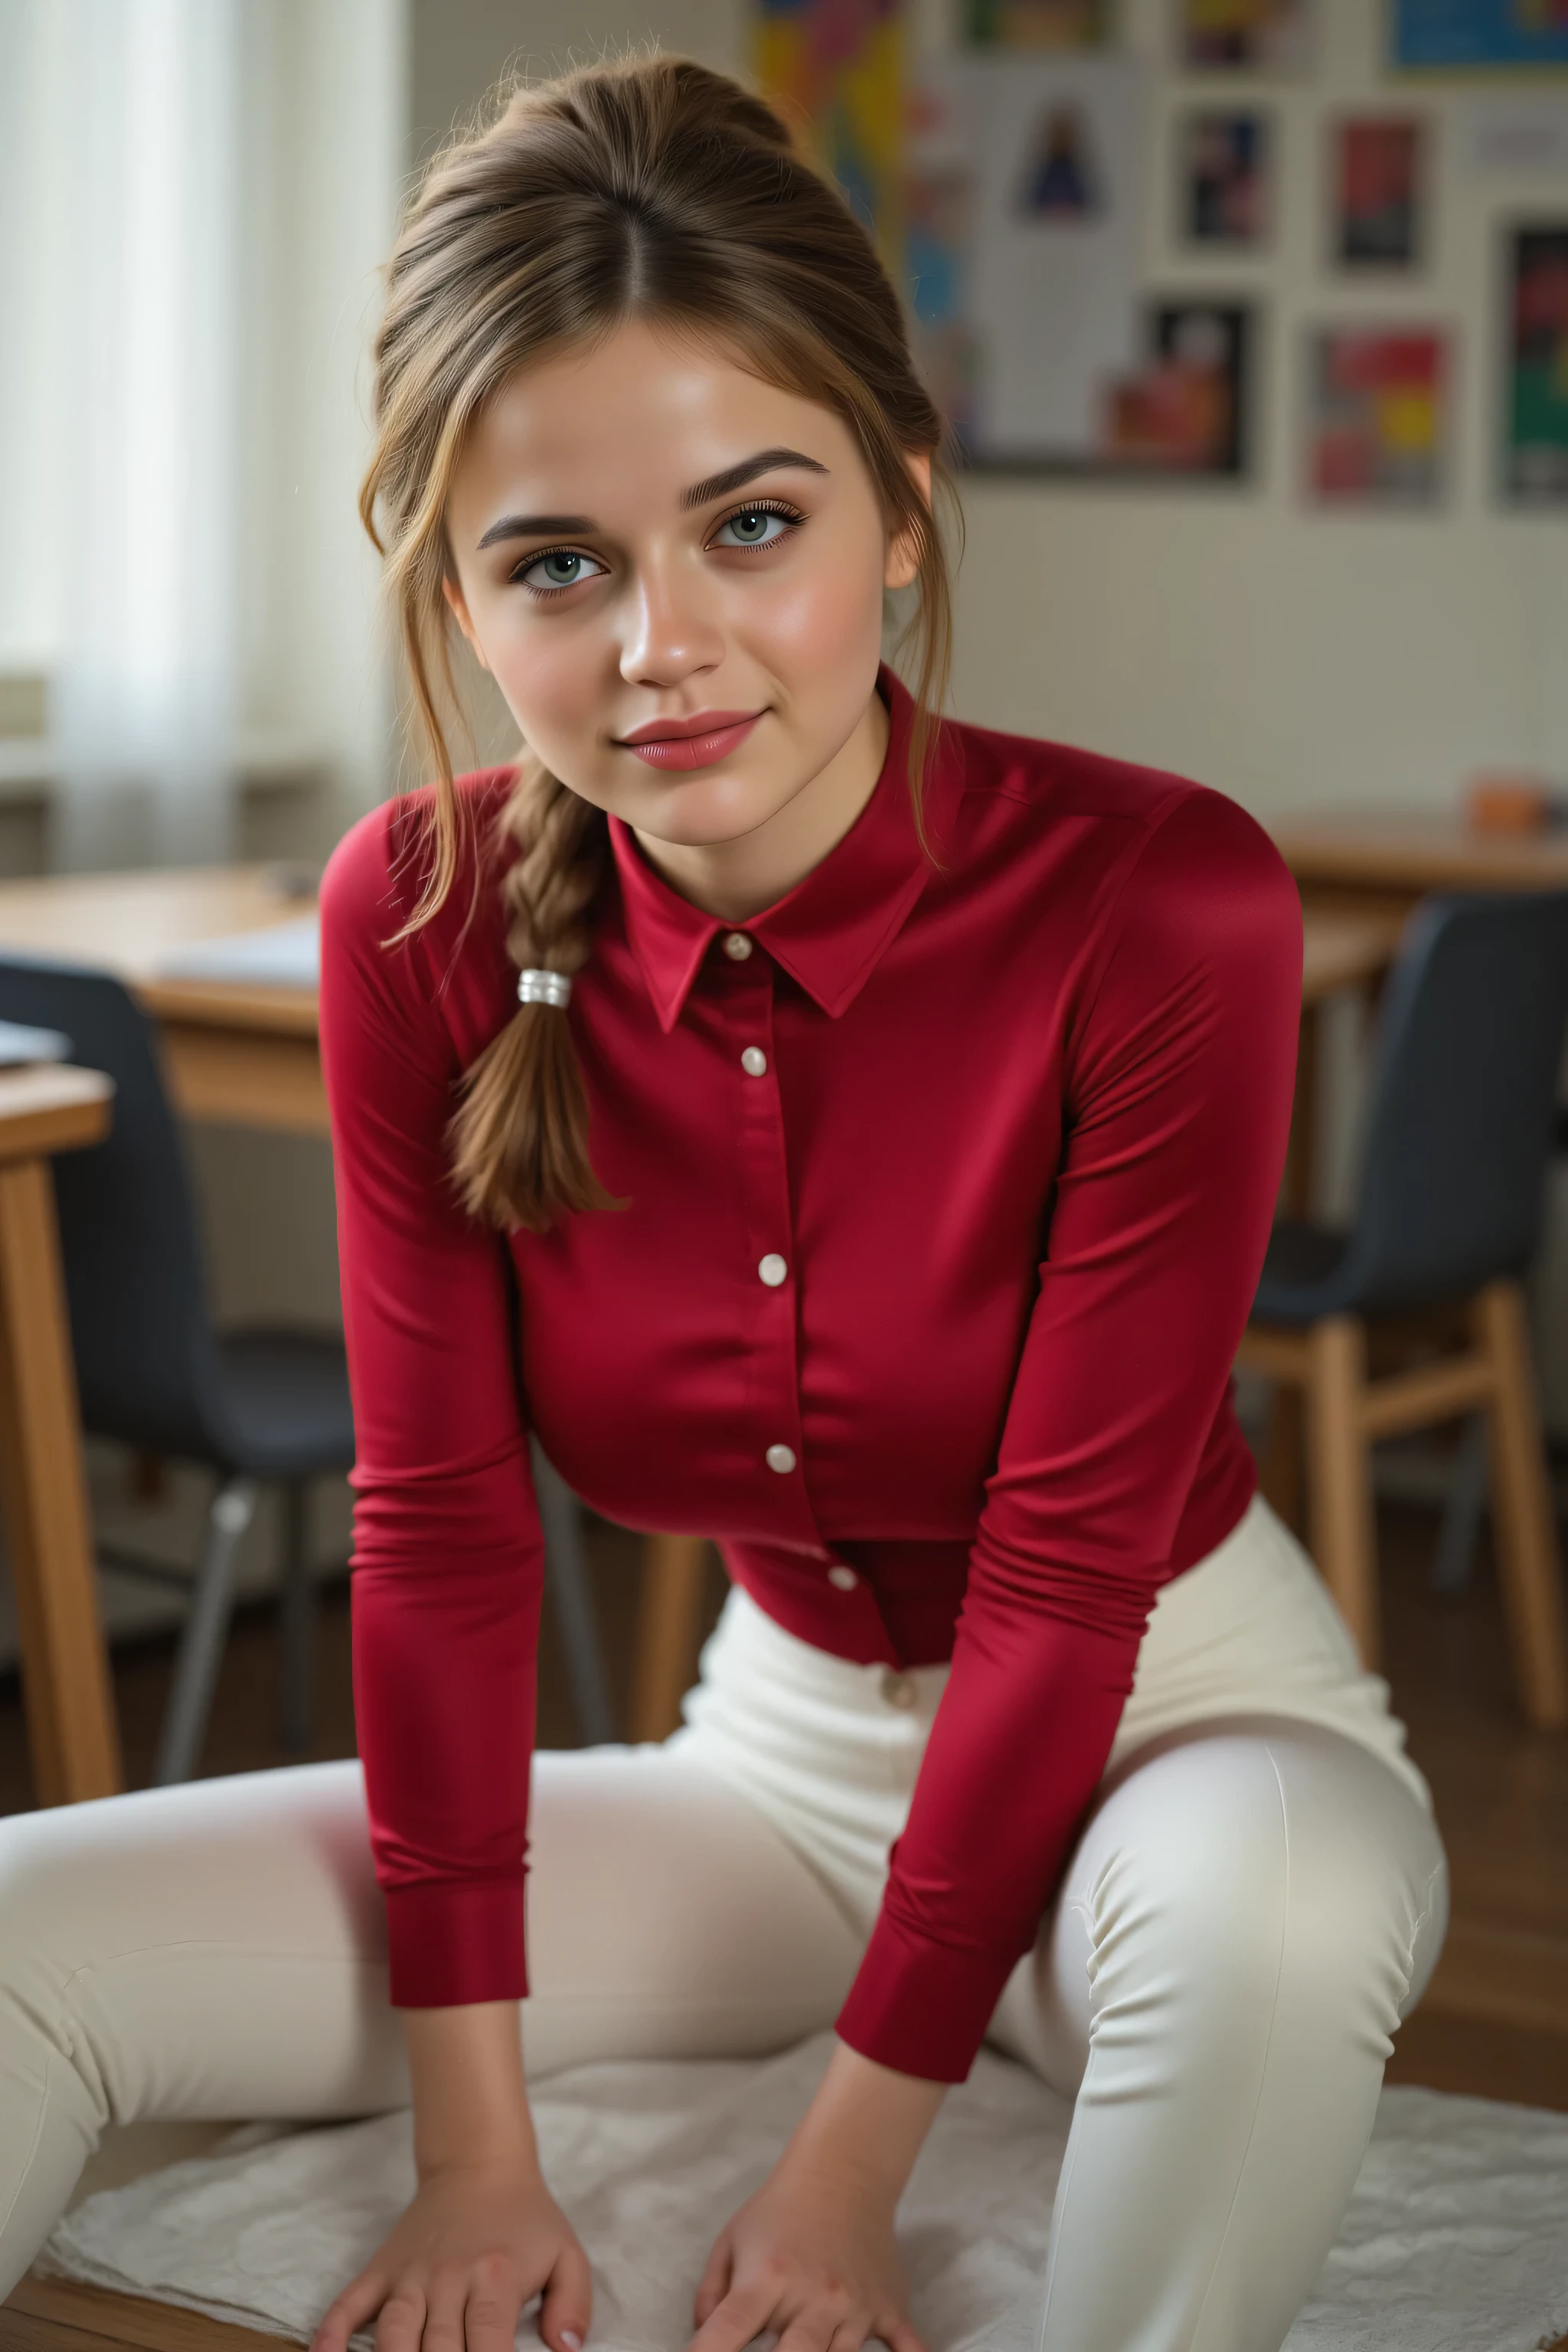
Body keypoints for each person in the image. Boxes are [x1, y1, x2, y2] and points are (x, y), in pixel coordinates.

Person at [0, 52, 1447, 2352]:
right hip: (781, 1773)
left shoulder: (1163, 900)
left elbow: (1070, 1574)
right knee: (15, 1936)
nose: (658, 648)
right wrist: (480, 2158)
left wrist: (839, 2177)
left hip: (1179, 1729)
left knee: (1264, 1924)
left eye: (749, 523)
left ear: (901, 492)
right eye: (557, 563)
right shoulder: (423, 922)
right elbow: (449, 1539)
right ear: (461, 595)